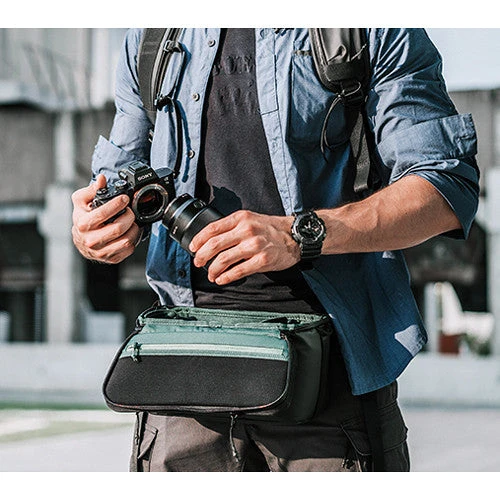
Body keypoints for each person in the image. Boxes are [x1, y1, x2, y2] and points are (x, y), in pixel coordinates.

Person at [71, 28, 479, 472]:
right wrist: (93, 231)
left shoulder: (371, 26)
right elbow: (109, 188)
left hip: (326, 385)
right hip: (182, 385)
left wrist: (299, 235)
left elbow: (444, 187)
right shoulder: (151, 36)